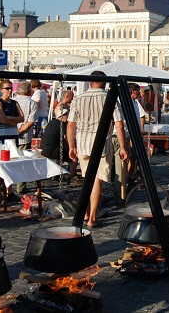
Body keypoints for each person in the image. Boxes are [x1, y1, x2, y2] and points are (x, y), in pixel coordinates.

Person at [67, 71, 128, 228]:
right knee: (96, 182)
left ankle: (86, 212)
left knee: (87, 179)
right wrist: (122, 147)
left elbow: (71, 125)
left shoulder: (78, 99)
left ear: (89, 83)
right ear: (105, 83)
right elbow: (119, 124)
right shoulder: (109, 98)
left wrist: (71, 146)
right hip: (102, 143)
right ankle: (92, 217)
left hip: (83, 143)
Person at [41, 106, 79, 184]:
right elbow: (67, 139)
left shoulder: (51, 122)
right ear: (64, 116)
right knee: (74, 155)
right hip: (52, 151)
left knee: (60, 150)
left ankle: (57, 174)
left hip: (44, 149)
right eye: (68, 115)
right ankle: (71, 176)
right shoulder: (63, 125)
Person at [13, 81, 37, 195]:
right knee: (22, 161)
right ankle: (20, 186)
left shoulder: (12, 101)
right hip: (24, 135)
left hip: (11, 134)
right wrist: (20, 130)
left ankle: (7, 187)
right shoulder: (31, 103)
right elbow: (31, 121)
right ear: (29, 90)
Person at [0, 80, 24, 146]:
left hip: (14, 135)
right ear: (1, 90)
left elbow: (22, 118)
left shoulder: (15, 103)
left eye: (11, 88)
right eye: (7, 88)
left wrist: (10, 117)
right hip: (2, 135)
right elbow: (3, 120)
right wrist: (14, 122)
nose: (9, 90)